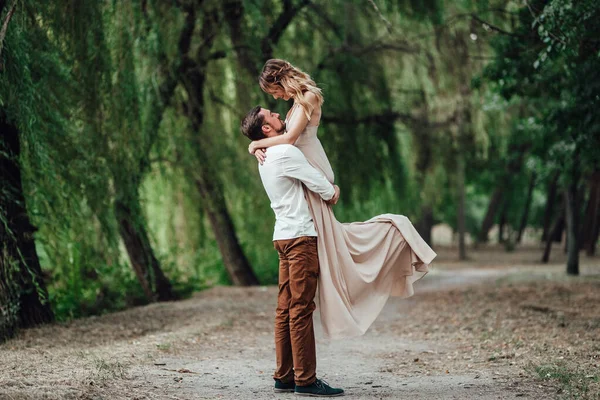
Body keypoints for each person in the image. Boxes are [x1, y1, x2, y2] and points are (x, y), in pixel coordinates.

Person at [248, 59, 437, 341]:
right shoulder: (294, 105)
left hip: (314, 178)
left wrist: (256, 144)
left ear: (281, 80)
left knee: (333, 243)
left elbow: (288, 139)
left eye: (273, 91)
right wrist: (257, 147)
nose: (274, 97)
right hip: (307, 179)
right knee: (330, 244)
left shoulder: (308, 97)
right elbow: (284, 141)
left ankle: (394, 239)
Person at [241, 106, 345, 397]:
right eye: (273, 114)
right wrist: (333, 190)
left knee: (284, 309)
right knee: (300, 309)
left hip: (283, 237)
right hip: (300, 238)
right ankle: (306, 380)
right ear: (266, 129)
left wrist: (255, 147)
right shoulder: (286, 153)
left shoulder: (265, 156)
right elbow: (321, 186)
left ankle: (284, 376)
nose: (279, 115)